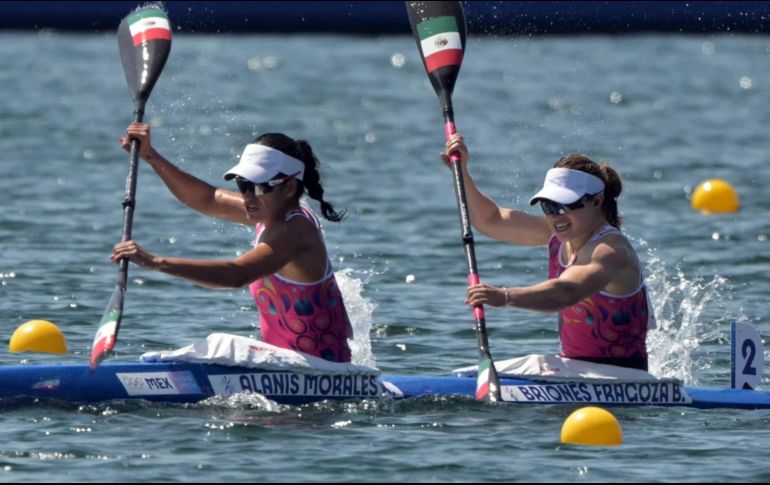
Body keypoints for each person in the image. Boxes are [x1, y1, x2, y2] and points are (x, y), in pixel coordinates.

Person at [111, 124, 353, 363]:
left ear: (289, 186)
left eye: (256, 186)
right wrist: (151, 156)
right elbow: (207, 199)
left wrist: (155, 263)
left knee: (221, 344)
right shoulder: (269, 210)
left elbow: (236, 274)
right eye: (242, 185)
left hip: (321, 371)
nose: (247, 197)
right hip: (291, 366)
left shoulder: (296, 231)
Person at [442, 134, 655, 371]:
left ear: (596, 202)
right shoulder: (559, 234)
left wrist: (504, 296)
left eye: (566, 205)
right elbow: (491, 220)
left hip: (623, 376)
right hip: (574, 369)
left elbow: (567, 292)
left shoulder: (611, 251)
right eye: (548, 206)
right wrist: (461, 172)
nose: (556, 216)